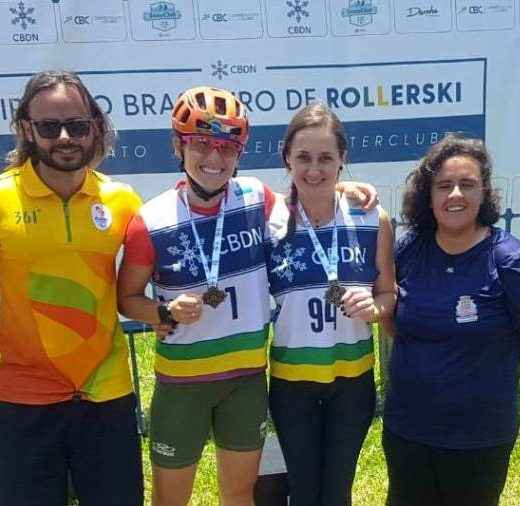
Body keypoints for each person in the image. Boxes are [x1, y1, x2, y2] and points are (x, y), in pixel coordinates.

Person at [117, 87, 378, 506]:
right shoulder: (150, 220)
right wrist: (162, 309)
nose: (214, 158)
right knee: (170, 498)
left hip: (246, 379)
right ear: (178, 145)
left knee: (240, 492)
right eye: (201, 144)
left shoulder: (257, 198)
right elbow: (127, 298)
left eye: (226, 147)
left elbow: (310, 197)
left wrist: (350, 189)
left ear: (239, 152)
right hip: (183, 383)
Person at [0, 70, 143, 505]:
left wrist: (337, 191)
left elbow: (196, 213)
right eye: (49, 127)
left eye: (77, 126)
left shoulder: (122, 201)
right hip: (20, 401)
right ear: (26, 127)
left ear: (94, 126)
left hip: (106, 395)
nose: (65, 137)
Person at [382, 134, 520, 506]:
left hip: (478, 437)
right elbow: (394, 321)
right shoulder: (409, 249)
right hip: (407, 430)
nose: (455, 195)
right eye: (444, 186)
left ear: (484, 192)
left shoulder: (510, 260)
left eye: (467, 184)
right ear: (428, 195)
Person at [265, 103, 396, 506]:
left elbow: (387, 293)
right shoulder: (268, 220)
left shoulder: (373, 219)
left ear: (343, 158)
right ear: (287, 157)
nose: (314, 169)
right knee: (304, 491)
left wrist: (375, 310)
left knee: (338, 492)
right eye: (303, 157)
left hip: (352, 383)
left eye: (326, 158)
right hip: (292, 384)